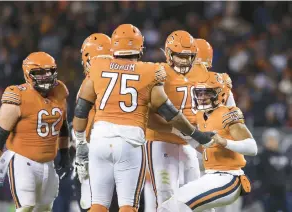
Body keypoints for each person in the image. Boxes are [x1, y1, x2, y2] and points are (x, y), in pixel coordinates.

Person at [73, 24, 218, 212]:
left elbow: (81, 108)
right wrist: (195, 134)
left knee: (98, 204)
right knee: (128, 206)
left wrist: (80, 143)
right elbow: (168, 112)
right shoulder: (150, 71)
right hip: (130, 142)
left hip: (100, 139)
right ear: (140, 48)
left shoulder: (98, 65)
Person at [145, 32, 237, 209]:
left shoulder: (210, 80)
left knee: (198, 197)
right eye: (181, 57)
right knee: (166, 195)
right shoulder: (159, 73)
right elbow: (147, 116)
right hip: (162, 142)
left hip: (189, 144)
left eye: (190, 58)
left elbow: (229, 115)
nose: (186, 63)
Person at [0, 52, 71, 212]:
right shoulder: (17, 95)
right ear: (28, 74)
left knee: (44, 209)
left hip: (49, 163)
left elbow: (63, 126)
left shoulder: (60, 90)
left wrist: (65, 154)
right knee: (25, 207)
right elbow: (0, 135)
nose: (46, 76)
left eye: (49, 71)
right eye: (40, 73)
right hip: (23, 161)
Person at [159, 73, 258, 212]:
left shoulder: (228, 114)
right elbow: (205, 146)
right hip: (210, 175)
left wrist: (225, 142)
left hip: (229, 177)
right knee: (165, 207)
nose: (202, 97)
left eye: (207, 93)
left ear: (221, 93)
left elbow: (252, 148)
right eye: (199, 93)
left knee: (176, 207)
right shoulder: (201, 115)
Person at [75, 33, 112, 211]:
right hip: (126, 148)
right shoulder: (123, 76)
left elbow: (84, 121)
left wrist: (80, 146)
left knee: (91, 204)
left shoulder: (90, 81)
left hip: (96, 150)